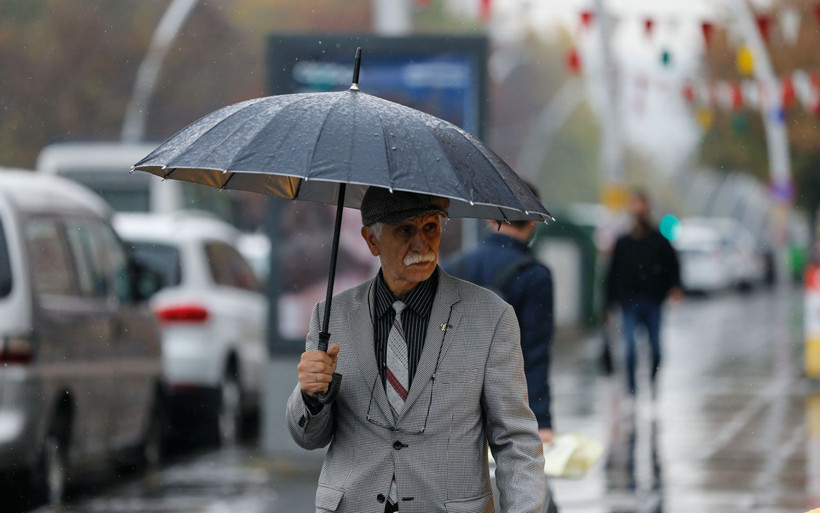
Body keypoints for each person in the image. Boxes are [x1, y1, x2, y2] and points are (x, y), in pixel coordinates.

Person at [286, 187, 546, 513]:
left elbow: (516, 442)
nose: (422, 244)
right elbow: (309, 437)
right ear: (371, 240)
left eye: (430, 227)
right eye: (406, 230)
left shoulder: (491, 317)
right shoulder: (330, 317)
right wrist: (310, 396)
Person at [445, 202, 558, 513]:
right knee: (527, 488)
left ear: (490, 217)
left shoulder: (454, 267)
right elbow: (534, 353)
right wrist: (541, 419)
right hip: (507, 395)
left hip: (456, 399)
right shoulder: (534, 276)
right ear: (532, 224)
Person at [605, 190, 682, 397]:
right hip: (629, 302)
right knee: (629, 348)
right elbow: (612, 274)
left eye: (641, 204)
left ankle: (652, 378)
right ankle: (632, 389)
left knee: (655, 348)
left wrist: (674, 287)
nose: (638, 209)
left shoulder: (658, 240)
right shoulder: (623, 242)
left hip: (653, 301)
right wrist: (608, 304)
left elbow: (672, 265)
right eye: (635, 204)